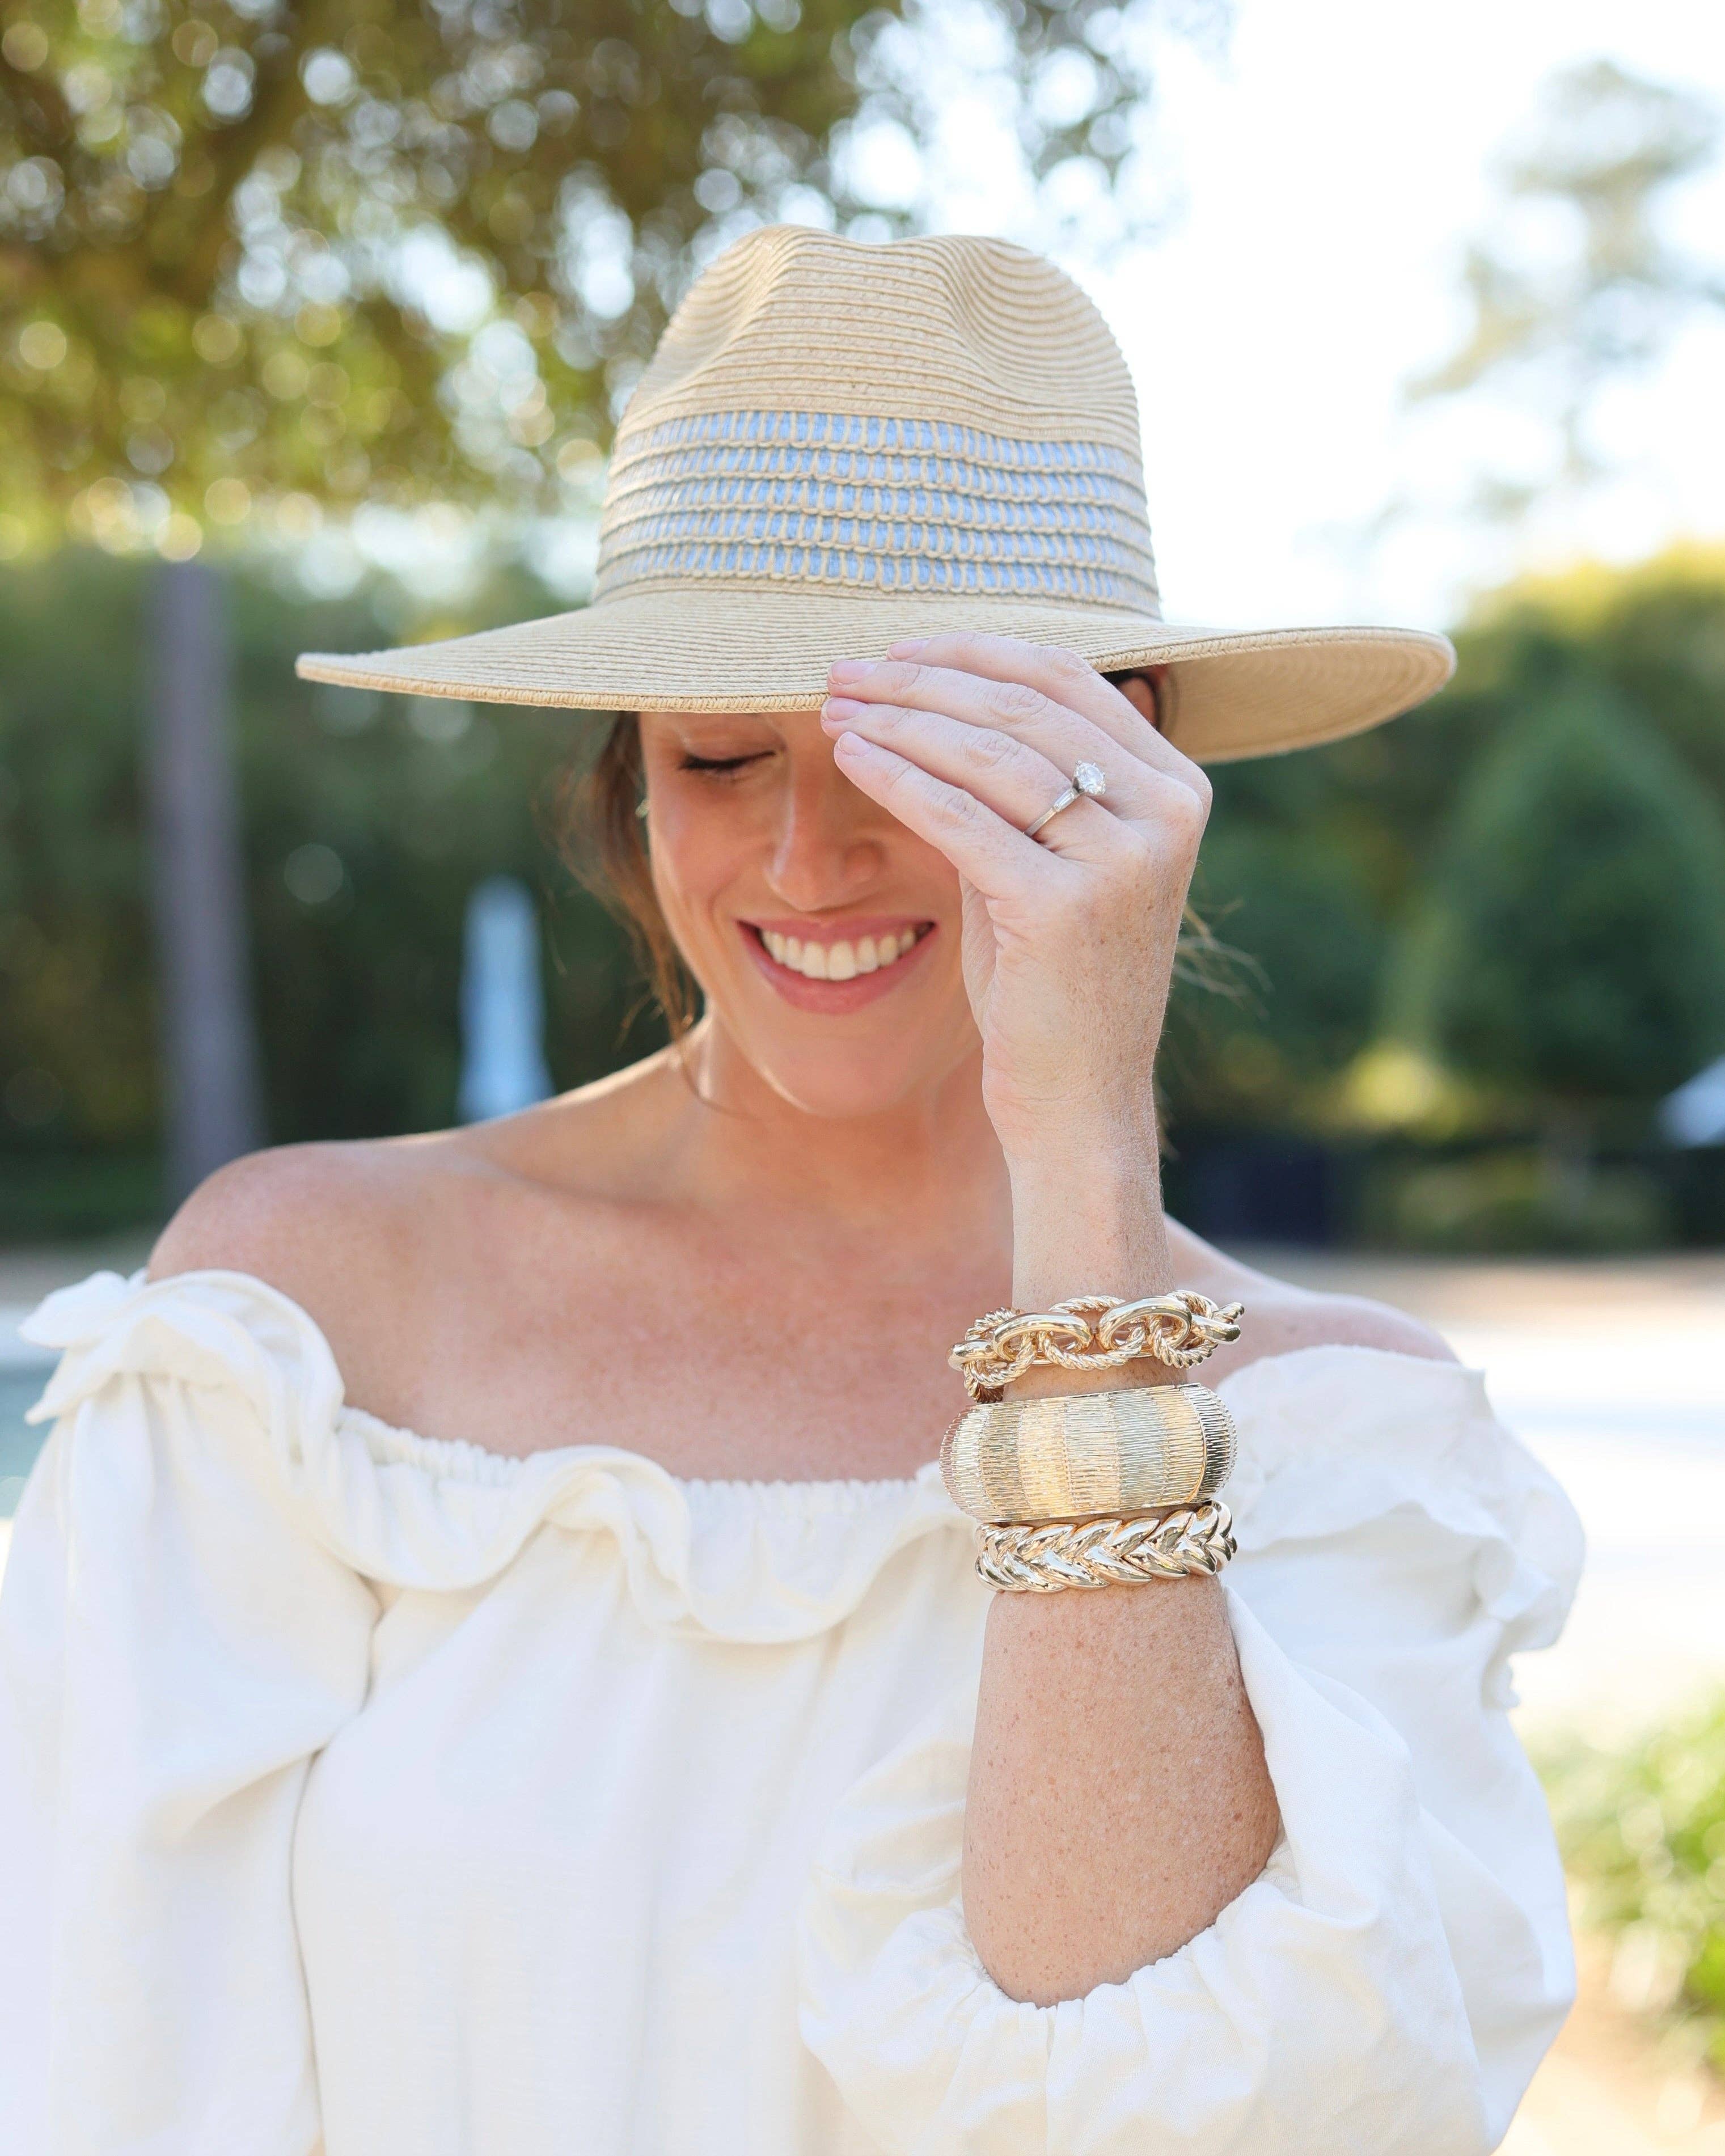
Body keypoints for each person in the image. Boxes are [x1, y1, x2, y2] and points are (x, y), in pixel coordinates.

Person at [0, 227, 1582, 2155]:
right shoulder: (305, 1321)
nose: (811, 854)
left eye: (926, 753)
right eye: (725, 751)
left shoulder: (1342, 1437)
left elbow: (1181, 2109)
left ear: (1132, 756)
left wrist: (1082, 1151)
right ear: (629, 777)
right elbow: (107, 2056)